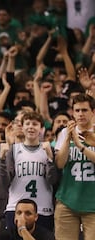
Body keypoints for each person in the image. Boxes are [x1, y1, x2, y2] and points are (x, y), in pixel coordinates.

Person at [0, 111, 58, 237]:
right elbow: (5, 182)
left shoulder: (48, 149)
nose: (31, 126)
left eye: (35, 124)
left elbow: (52, 180)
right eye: (27, 123)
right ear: (22, 127)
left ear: (41, 129)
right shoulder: (14, 149)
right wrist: (2, 160)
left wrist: (50, 159)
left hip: (43, 209)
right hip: (16, 208)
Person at [54, 93, 95, 240]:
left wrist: (80, 146)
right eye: (77, 110)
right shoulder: (65, 132)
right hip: (67, 201)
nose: (80, 114)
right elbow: (59, 163)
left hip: (93, 203)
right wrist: (68, 139)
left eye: (84, 110)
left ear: (93, 112)